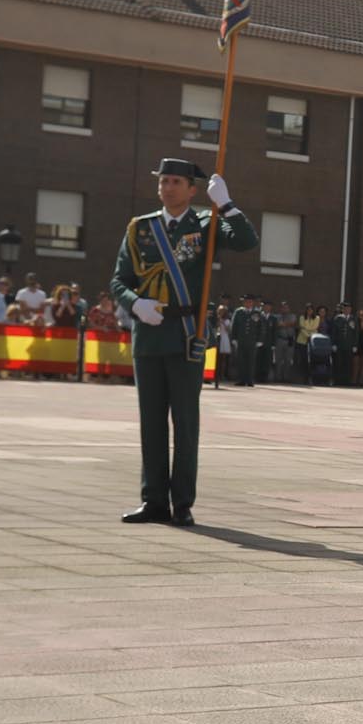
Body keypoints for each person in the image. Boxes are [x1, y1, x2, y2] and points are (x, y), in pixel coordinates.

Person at [111, 160, 255, 526]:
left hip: (187, 332)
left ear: (193, 189)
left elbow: (246, 241)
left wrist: (227, 204)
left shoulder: (206, 225)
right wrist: (135, 304)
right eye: (163, 181)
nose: (167, 187)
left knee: (186, 424)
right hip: (149, 335)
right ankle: (153, 500)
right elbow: (119, 281)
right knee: (151, 423)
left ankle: (182, 503)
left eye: (175, 182)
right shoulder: (141, 228)